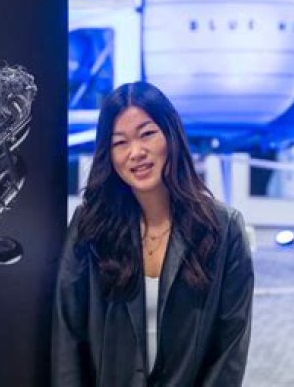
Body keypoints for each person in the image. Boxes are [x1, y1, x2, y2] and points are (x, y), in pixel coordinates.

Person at [52, 82, 254, 387]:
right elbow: (68, 336)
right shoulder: (90, 227)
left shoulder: (223, 229)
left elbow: (230, 348)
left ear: (171, 136)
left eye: (147, 134)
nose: (136, 153)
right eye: (120, 142)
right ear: (109, 154)